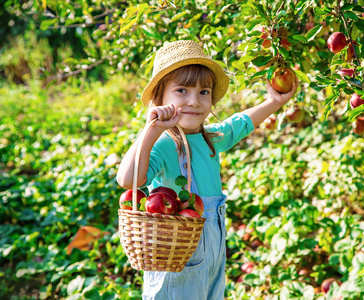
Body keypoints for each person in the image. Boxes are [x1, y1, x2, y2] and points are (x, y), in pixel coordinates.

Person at [116, 40, 298, 300]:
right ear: (160, 98)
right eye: (181, 90)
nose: (194, 101)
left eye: (204, 92)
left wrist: (274, 102)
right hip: (175, 257)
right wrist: (152, 129)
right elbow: (127, 179)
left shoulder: (210, 136)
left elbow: (240, 123)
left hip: (212, 253)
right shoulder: (164, 143)